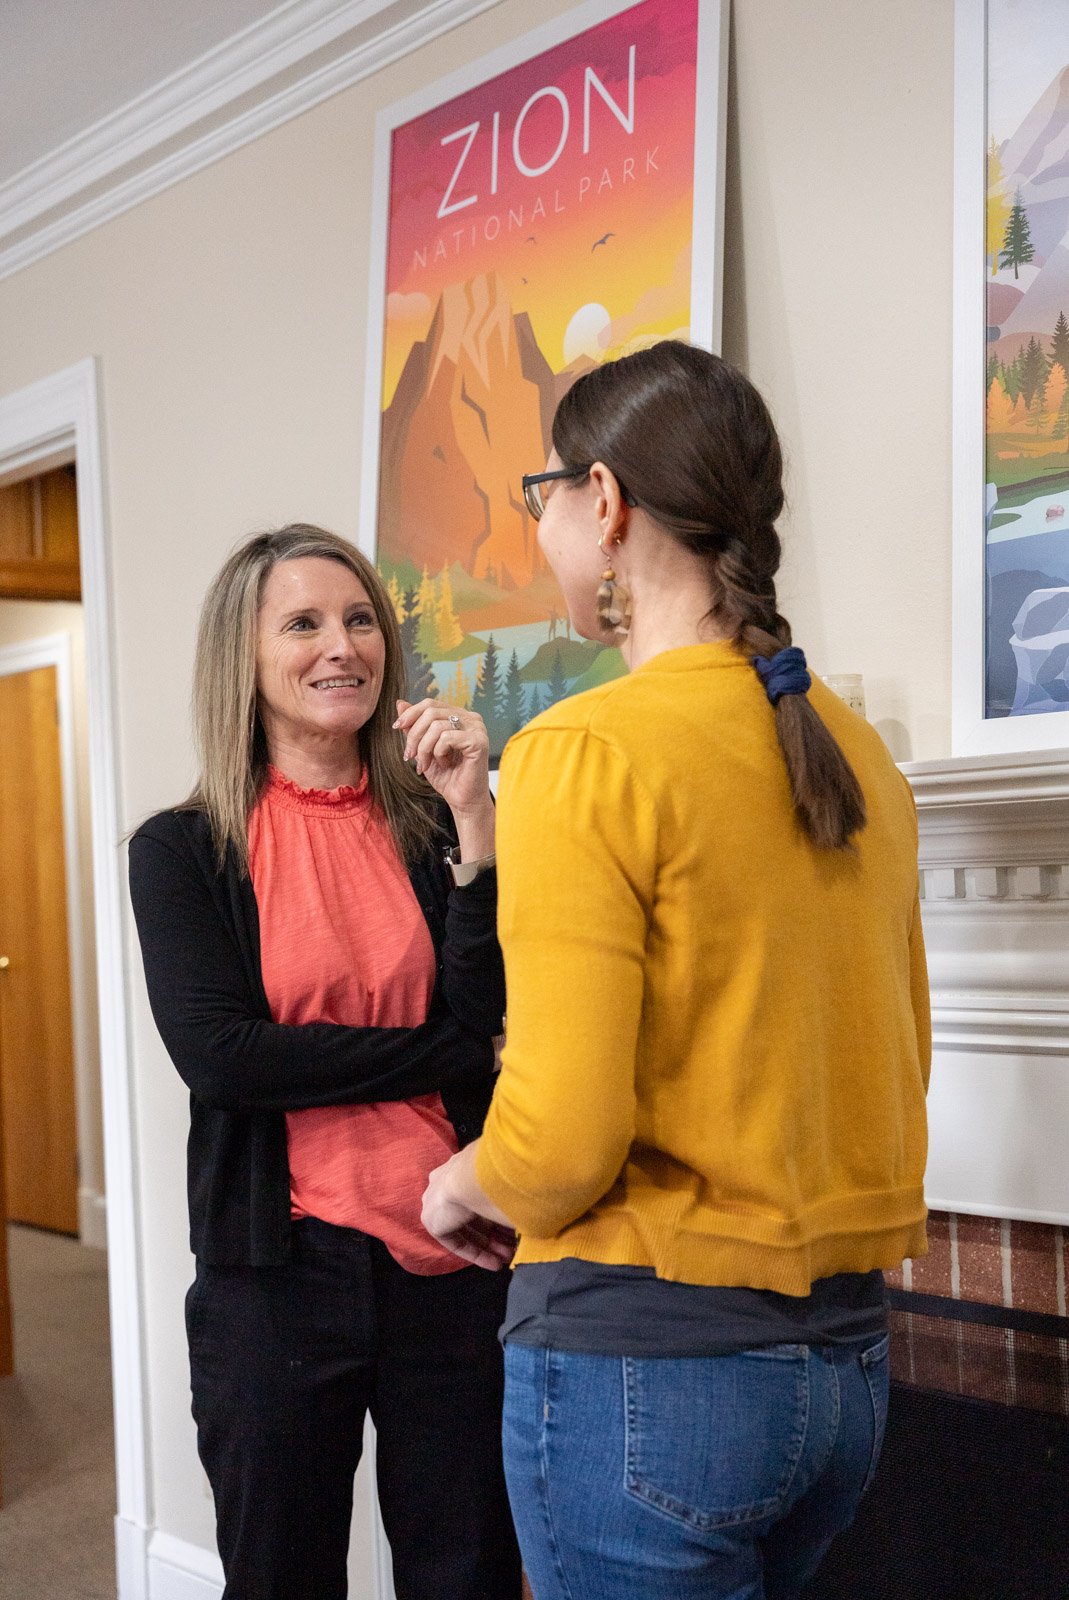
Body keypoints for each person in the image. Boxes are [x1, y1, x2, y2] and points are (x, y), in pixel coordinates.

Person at [422, 343, 931, 1600]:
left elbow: (557, 1146)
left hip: (649, 1379)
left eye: (541, 490)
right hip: (844, 1375)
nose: (539, 519)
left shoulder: (580, 751)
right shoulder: (857, 753)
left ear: (603, 502)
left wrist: (457, 1184)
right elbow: (893, 1060)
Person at [128, 525, 520, 1600]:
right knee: (281, 1576)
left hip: (454, 1255)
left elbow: (487, 1010)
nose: (339, 645)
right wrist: (441, 1050)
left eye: (357, 620)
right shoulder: (183, 848)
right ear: (243, 657)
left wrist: (476, 823)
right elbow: (226, 1059)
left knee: (468, 1571)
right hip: (276, 1273)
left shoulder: (427, 827)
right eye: (301, 622)